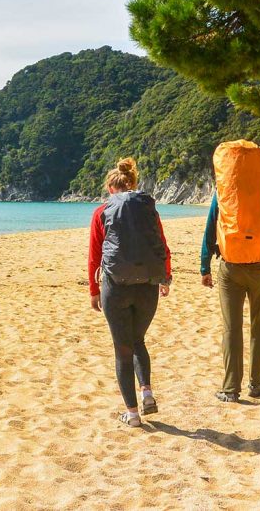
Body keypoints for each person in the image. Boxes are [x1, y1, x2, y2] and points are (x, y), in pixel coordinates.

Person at [88, 157, 172, 427]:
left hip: (116, 288)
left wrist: (93, 289)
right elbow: (162, 246)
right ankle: (147, 391)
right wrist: (165, 279)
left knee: (122, 349)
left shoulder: (102, 211)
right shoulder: (149, 211)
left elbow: (94, 255)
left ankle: (132, 414)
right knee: (139, 341)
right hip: (147, 286)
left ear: (111, 188)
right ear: (134, 186)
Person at [200, 140, 260, 402]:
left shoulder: (223, 192)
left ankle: (229, 389)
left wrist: (205, 266)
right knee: (259, 327)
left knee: (231, 328)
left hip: (230, 266)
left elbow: (211, 227)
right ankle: (257, 384)